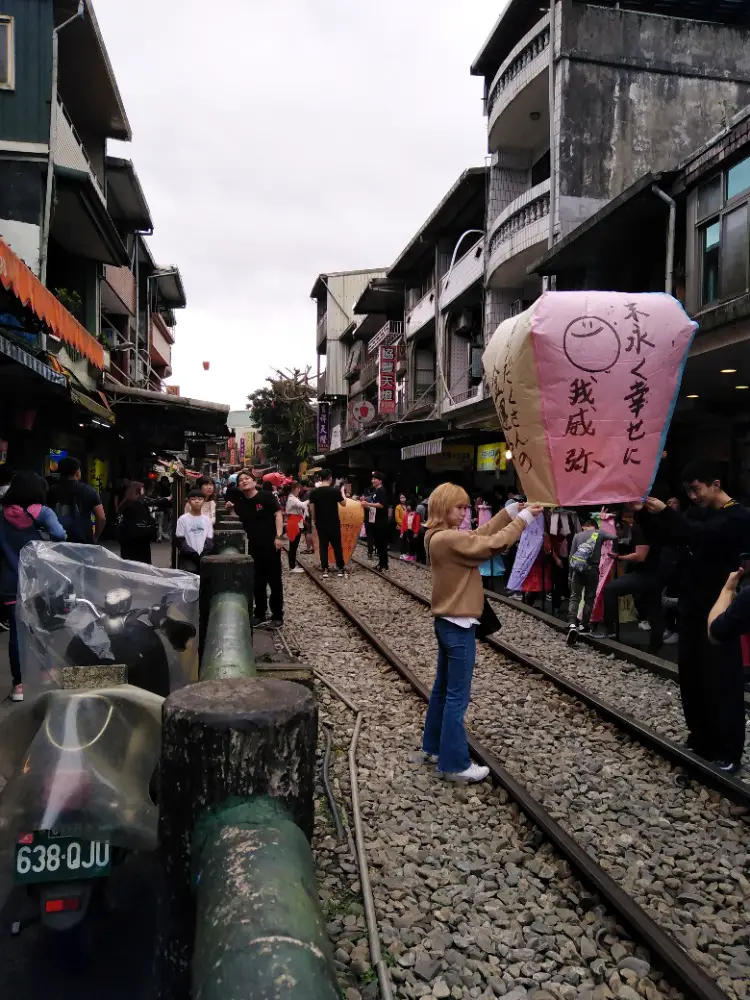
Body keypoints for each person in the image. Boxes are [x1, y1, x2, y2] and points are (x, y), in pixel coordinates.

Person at [421, 485, 543, 782]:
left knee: (442, 690)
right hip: (459, 624)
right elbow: (491, 544)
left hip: (447, 622)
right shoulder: (449, 538)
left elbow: (481, 534)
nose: (465, 513)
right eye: (459, 508)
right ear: (443, 508)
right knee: (456, 697)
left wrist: (510, 511)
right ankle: (454, 764)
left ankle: (434, 746)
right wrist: (524, 519)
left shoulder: (438, 535)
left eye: (466, 507)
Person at [645, 459, 750, 774]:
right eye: (688, 491)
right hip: (691, 605)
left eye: (696, 489)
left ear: (715, 484)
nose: (692, 496)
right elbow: (675, 535)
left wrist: (666, 512)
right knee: (692, 677)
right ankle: (701, 739)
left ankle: (729, 750)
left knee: (723, 681)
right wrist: (646, 512)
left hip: (720, 610)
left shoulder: (738, 516)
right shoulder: (699, 513)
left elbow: (699, 534)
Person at [0, 471, 67, 702]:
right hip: (38, 580)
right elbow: (60, 534)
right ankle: (46, 671)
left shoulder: (2, 514)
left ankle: (19, 685)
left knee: (16, 634)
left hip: (9, 583)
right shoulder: (42, 512)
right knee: (41, 626)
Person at [601, 503, 665, 651]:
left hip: (646, 574)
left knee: (610, 590)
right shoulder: (652, 526)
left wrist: (619, 557)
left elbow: (640, 556)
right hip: (657, 573)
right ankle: (655, 645)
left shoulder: (641, 528)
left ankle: (610, 632)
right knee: (654, 607)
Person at [226, 469, 285, 628]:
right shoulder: (240, 503)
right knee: (257, 581)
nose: (244, 481)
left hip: (271, 545)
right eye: (241, 480)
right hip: (253, 546)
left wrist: (279, 537)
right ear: (238, 486)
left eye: (247, 478)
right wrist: (230, 510)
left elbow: (278, 515)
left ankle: (277, 616)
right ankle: (259, 613)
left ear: (254, 481)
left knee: (274, 581)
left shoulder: (266, 496)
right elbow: (237, 521)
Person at [566, 513, 616, 646]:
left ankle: (572, 624)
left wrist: (570, 574)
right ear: (594, 526)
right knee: (589, 598)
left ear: (587, 526)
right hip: (592, 571)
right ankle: (584, 626)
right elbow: (615, 537)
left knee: (575, 596)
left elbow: (571, 556)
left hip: (577, 570)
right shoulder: (599, 534)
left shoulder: (577, 536)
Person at [47, 456, 106, 543]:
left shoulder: (51, 491)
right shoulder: (89, 490)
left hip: (59, 541)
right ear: (77, 472)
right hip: (84, 541)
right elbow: (101, 518)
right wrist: (95, 536)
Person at [309, 469, 347, 578]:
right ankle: (340, 568)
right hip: (334, 522)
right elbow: (344, 504)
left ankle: (325, 569)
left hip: (321, 522)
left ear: (320, 479)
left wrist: (314, 521)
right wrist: (343, 492)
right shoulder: (335, 491)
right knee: (337, 546)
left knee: (323, 545)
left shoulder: (314, 492)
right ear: (330, 478)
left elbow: (312, 509)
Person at [118, 481, 157, 564]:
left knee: (128, 564)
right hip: (140, 539)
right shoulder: (139, 504)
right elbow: (147, 519)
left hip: (127, 539)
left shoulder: (125, 503)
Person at [176, 490, 214, 573]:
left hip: (204, 557)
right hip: (188, 558)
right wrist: (193, 554)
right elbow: (180, 540)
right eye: (193, 499)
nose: (197, 501)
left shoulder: (207, 520)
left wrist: (203, 554)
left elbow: (209, 540)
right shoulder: (182, 519)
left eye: (200, 499)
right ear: (189, 501)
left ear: (203, 501)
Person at [361, 471, 390, 571]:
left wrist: (368, 504)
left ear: (380, 481)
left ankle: (383, 564)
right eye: (372, 479)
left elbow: (381, 505)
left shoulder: (382, 490)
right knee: (378, 543)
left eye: (375, 479)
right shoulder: (376, 491)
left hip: (381, 521)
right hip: (375, 520)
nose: (373, 480)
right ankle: (383, 563)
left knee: (381, 543)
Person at [285, 482, 308, 573]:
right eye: (298, 488)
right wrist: (311, 498)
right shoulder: (292, 499)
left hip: (296, 522)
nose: (299, 490)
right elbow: (302, 505)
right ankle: (292, 566)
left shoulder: (294, 498)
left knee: (294, 545)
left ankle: (292, 565)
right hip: (293, 523)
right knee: (293, 545)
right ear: (294, 489)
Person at [399, 498, 421, 562]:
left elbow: (417, 524)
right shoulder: (406, 513)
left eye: (408, 505)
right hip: (407, 530)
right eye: (407, 505)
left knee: (412, 544)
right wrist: (402, 532)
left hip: (413, 531)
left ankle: (412, 555)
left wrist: (416, 532)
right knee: (408, 543)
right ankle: (409, 555)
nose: (407, 507)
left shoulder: (416, 514)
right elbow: (403, 523)